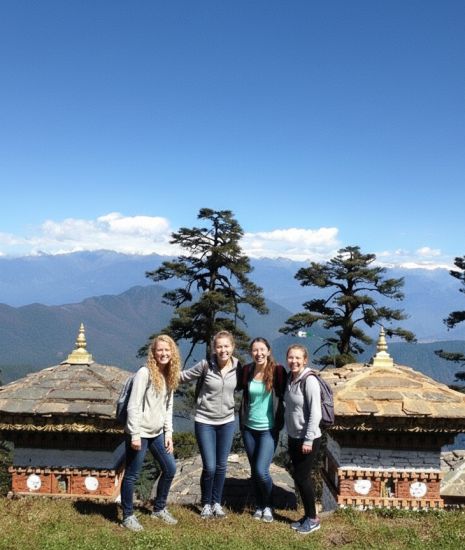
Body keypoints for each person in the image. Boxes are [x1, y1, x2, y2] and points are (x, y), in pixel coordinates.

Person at [120, 334, 181, 532]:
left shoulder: (169, 374)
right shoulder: (144, 373)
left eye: (167, 350)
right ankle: (127, 516)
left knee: (170, 468)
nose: (163, 353)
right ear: (153, 353)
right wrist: (135, 434)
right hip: (140, 432)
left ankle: (159, 508)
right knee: (132, 475)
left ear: (172, 352)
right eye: (159, 350)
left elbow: (168, 407)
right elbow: (133, 405)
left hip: (157, 433)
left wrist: (168, 433)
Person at [179, 330, 240, 519]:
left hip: (227, 422)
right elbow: (183, 377)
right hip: (205, 421)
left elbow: (257, 378)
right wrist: (159, 372)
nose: (223, 350)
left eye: (226, 346)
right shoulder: (205, 365)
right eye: (219, 346)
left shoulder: (238, 366)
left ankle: (217, 503)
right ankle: (206, 503)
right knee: (210, 466)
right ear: (214, 348)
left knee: (221, 466)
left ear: (232, 347)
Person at [239, 337, 286, 523]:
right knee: (254, 470)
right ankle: (259, 505)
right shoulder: (247, 371)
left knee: (261, 471)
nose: (258, 353)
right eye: (255, 350)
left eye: (262, 350)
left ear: (268, 351)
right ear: (251, 353)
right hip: (249, 428)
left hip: (268, 429)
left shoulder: (278, 371)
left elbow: (289, 388)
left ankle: (268, 505)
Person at [284, 344, 322, 535]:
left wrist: (308, 439)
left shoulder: (309, 380)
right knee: (299, 477)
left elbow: (316, 413)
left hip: (308, 438)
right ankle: (308, 516)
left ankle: (313, 519)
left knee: (302, 477)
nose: (294, 361)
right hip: (294, 436)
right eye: (291, 357)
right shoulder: (291, 378)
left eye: (298, 358)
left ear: (305, 360)